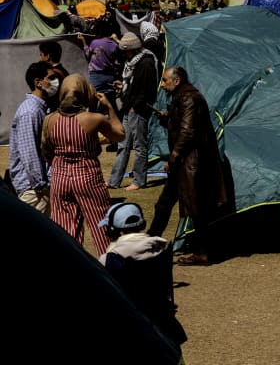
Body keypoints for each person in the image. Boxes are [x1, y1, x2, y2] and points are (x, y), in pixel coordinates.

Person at [150, 67, 235, 266]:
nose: (162, 84)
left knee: (196, 210)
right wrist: (168, 117)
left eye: (165, 80)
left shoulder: (189, 98)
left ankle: (202, 252)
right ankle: (151, 242)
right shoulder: (183, 97)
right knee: (167, 205)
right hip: (186, 164)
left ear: (176, 80)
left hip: (190, 164)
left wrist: (173, 158)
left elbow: (188, 132)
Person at [41, 74, 123, 255]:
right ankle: (110, 267)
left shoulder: (49, 120)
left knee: (66, 231)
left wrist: (59, 166)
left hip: (60, 178)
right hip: (88, 176)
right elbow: (120, 134)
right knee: (102, 226)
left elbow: (46, 152)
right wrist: (109, 107)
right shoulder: (94, 119)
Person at [98, 202, 187, 348]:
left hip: (129, 327)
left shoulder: (108, 260)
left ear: (118, 232)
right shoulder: (161, 250)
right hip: (163, 324)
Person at [109, 33, 158, 191]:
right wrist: (123, 87)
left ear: (132, 50)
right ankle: (114, 181)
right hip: (129, 107)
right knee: (123, 145)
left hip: (137, 109)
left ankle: (139, 181)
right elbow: (134, 85)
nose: (124, 55)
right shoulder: (134, 62)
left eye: (126, 51)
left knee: (139, 146)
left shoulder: (146, 63)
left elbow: (145, 89)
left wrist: (134, 106)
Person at [9, 62, 57, 213]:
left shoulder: (40, 108)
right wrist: (41, 186)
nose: (55, 82)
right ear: (38, 83)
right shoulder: (31, 111)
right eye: (51, 77)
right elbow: (30, 153)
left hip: (38, 186)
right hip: (34, 190)